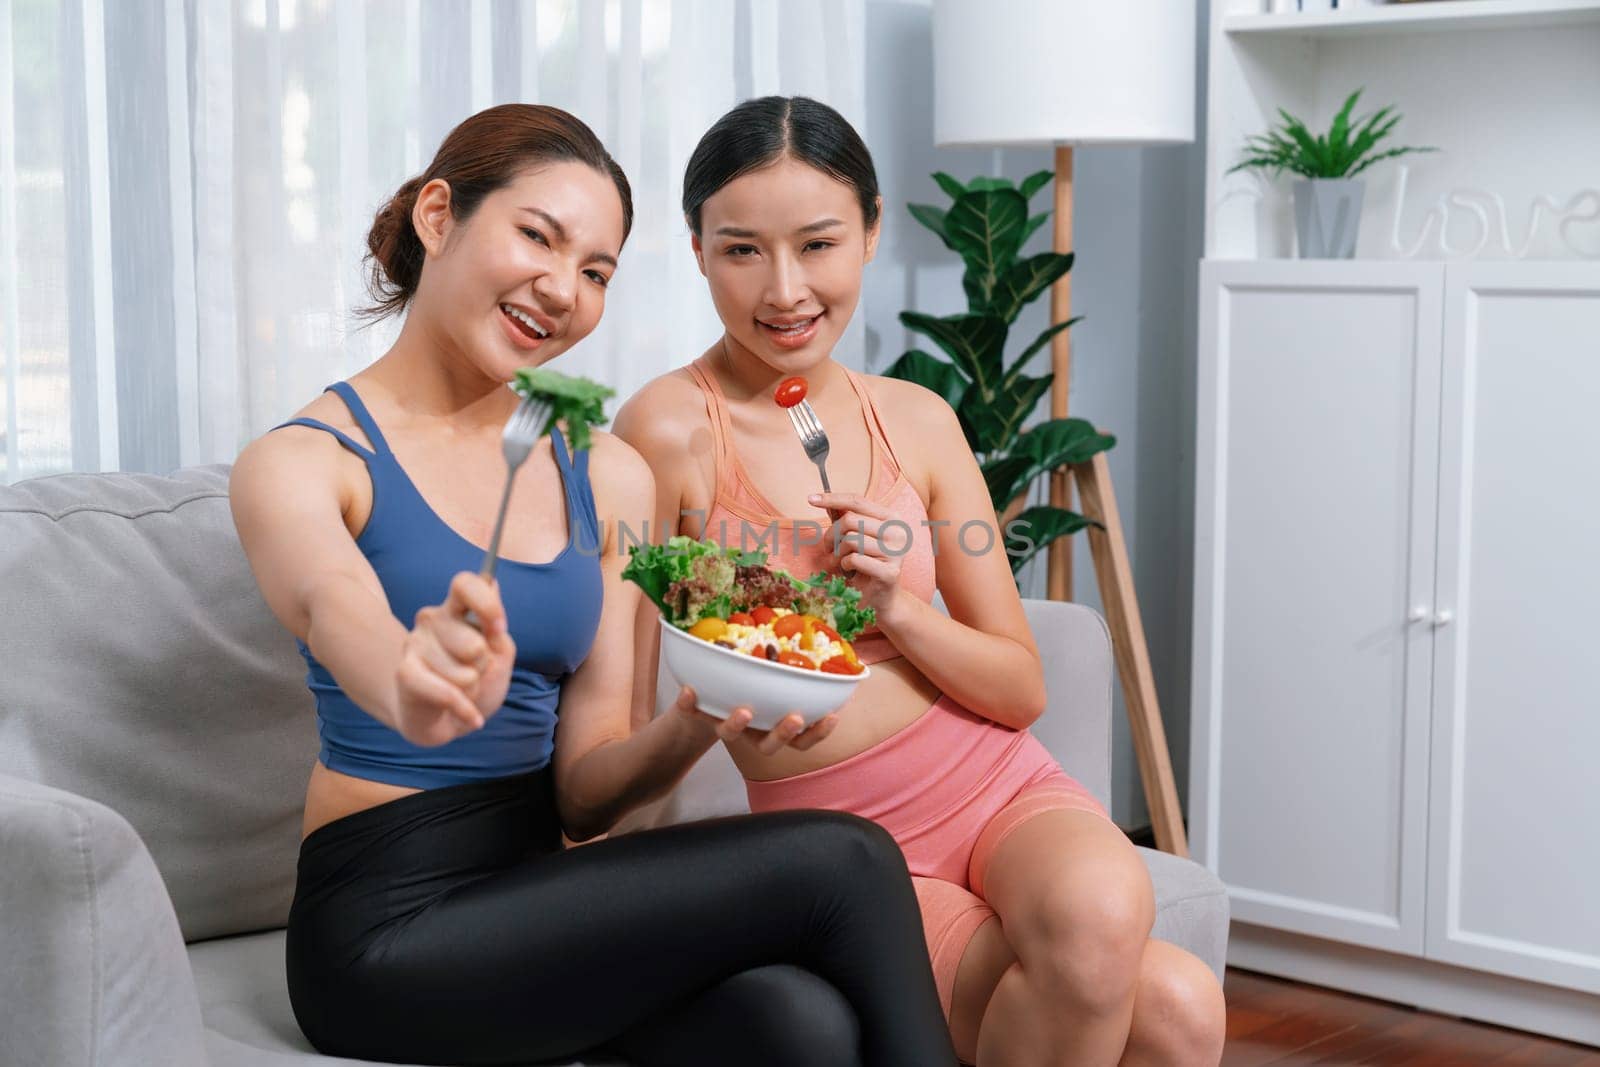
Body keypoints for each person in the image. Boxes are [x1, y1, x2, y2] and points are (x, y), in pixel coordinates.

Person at [229, 102, 957, 1067]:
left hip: (541, 897)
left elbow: (585, 800)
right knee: (845, 856)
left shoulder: (603, 474)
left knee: (798, 1025)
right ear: (439, 218)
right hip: (385, 927)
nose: (562, 288)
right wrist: (413, 674)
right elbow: (336, 605)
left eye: (597, 270)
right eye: (537, 236)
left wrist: (705, 711)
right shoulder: (307, 461)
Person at [614, 96, 1228, 1067]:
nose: (785, 289)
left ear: (870, 228)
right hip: (842, 846)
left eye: (818, 243)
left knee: (1124, 930)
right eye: (741, 250)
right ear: (695, 249)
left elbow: (1020, 687)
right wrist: (715, 696)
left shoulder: (920, 418)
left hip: (995, 782)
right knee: (1177, 1006)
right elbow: (623, 720)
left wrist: (898, 606)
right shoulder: (666, 432)